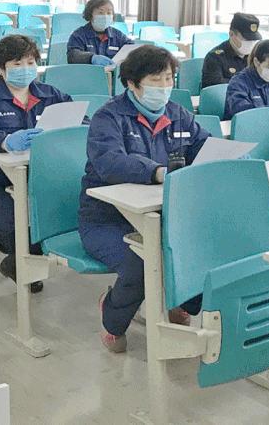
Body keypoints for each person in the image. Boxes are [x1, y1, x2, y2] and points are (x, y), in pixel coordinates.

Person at [79, 45, 210, 353]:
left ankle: (181, 302)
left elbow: (204, 145)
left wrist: (228, 158)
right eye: (155, 80)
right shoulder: (108, 117)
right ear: (132, 83)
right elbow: (109, 161)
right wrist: (157, 172)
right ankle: (112, 318)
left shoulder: (177, 114)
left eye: (169, 78)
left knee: (202, 249)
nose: (164, 87)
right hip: (108, 220)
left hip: (164, 216)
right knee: (141, 262)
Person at [0, 34, 75, 292]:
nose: (25, 69)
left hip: (37, 181)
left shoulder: (51, 94)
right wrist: (4, 140)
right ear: (1, 69)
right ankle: (15, 252)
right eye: (17, 64)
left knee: (51, 216)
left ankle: (15, 260)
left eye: (30, 62)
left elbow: (81, 121)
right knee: (18, 221)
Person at [67, 0, 135, 65]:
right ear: (90, 14)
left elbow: (132, 49)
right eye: (100, 13)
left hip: (112, 71)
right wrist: (91, 58)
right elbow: (72, 56)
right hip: (87, 71)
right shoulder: (79, 35)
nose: (105, 16)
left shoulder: (118, 35)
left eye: (109, 13)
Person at [201, 12, 261, 89]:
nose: (251, 43)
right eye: (247, 39)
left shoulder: (255, 56)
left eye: (253, 39)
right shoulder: (215, 57)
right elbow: (215, 88)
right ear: (231, 35)